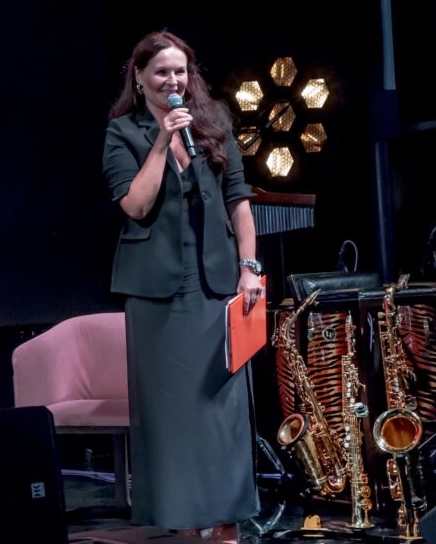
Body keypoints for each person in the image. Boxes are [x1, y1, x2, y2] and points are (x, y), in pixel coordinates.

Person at [102, 31, 262, 542]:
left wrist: (250, 266)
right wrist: (160, 141)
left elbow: (239, 202)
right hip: (156, 295)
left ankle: (227, 524)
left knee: (222, 413)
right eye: (161, 72)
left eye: (180, 71)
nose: (173, 81)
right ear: (140, 78)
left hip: (215, 284)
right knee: (173, 418)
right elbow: (135, 205)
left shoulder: (214, 125)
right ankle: (187, 527)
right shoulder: (122, 133)